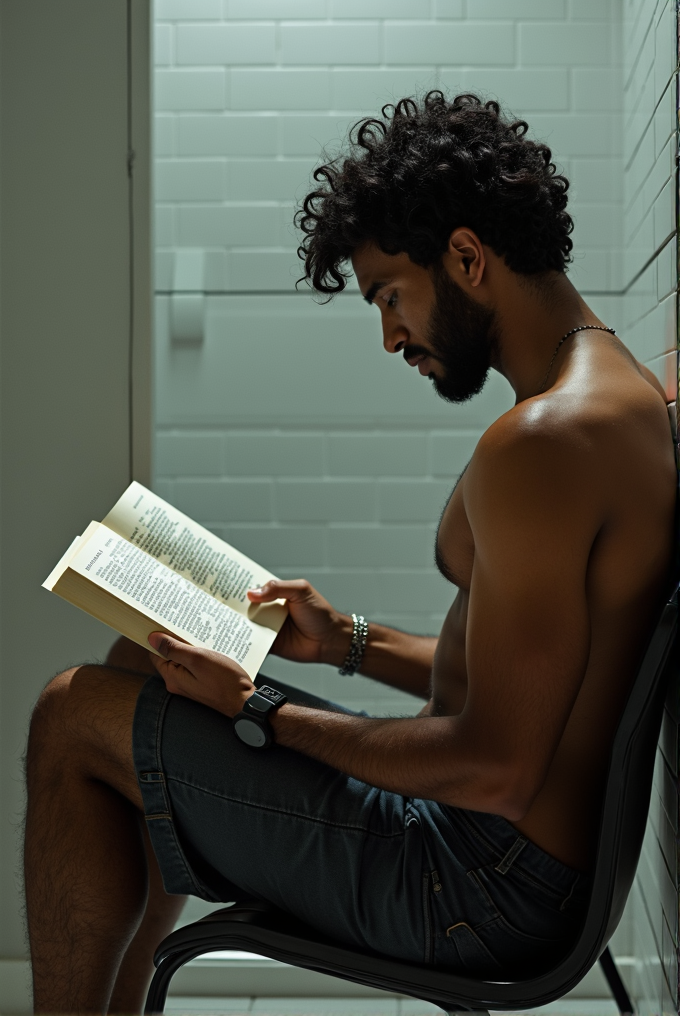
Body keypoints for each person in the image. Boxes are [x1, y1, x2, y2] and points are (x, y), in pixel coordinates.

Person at [24, 92, 676, 1014]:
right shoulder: (613, 396)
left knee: (68, 717)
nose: (390, 335)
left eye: (389, 296)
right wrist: (345, 643)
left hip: (473, 887)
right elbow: (514, 690)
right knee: (148, 661)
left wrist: (259, 709)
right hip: (506, 862)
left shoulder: (545, 443)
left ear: (465, 257)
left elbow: (497, 763)